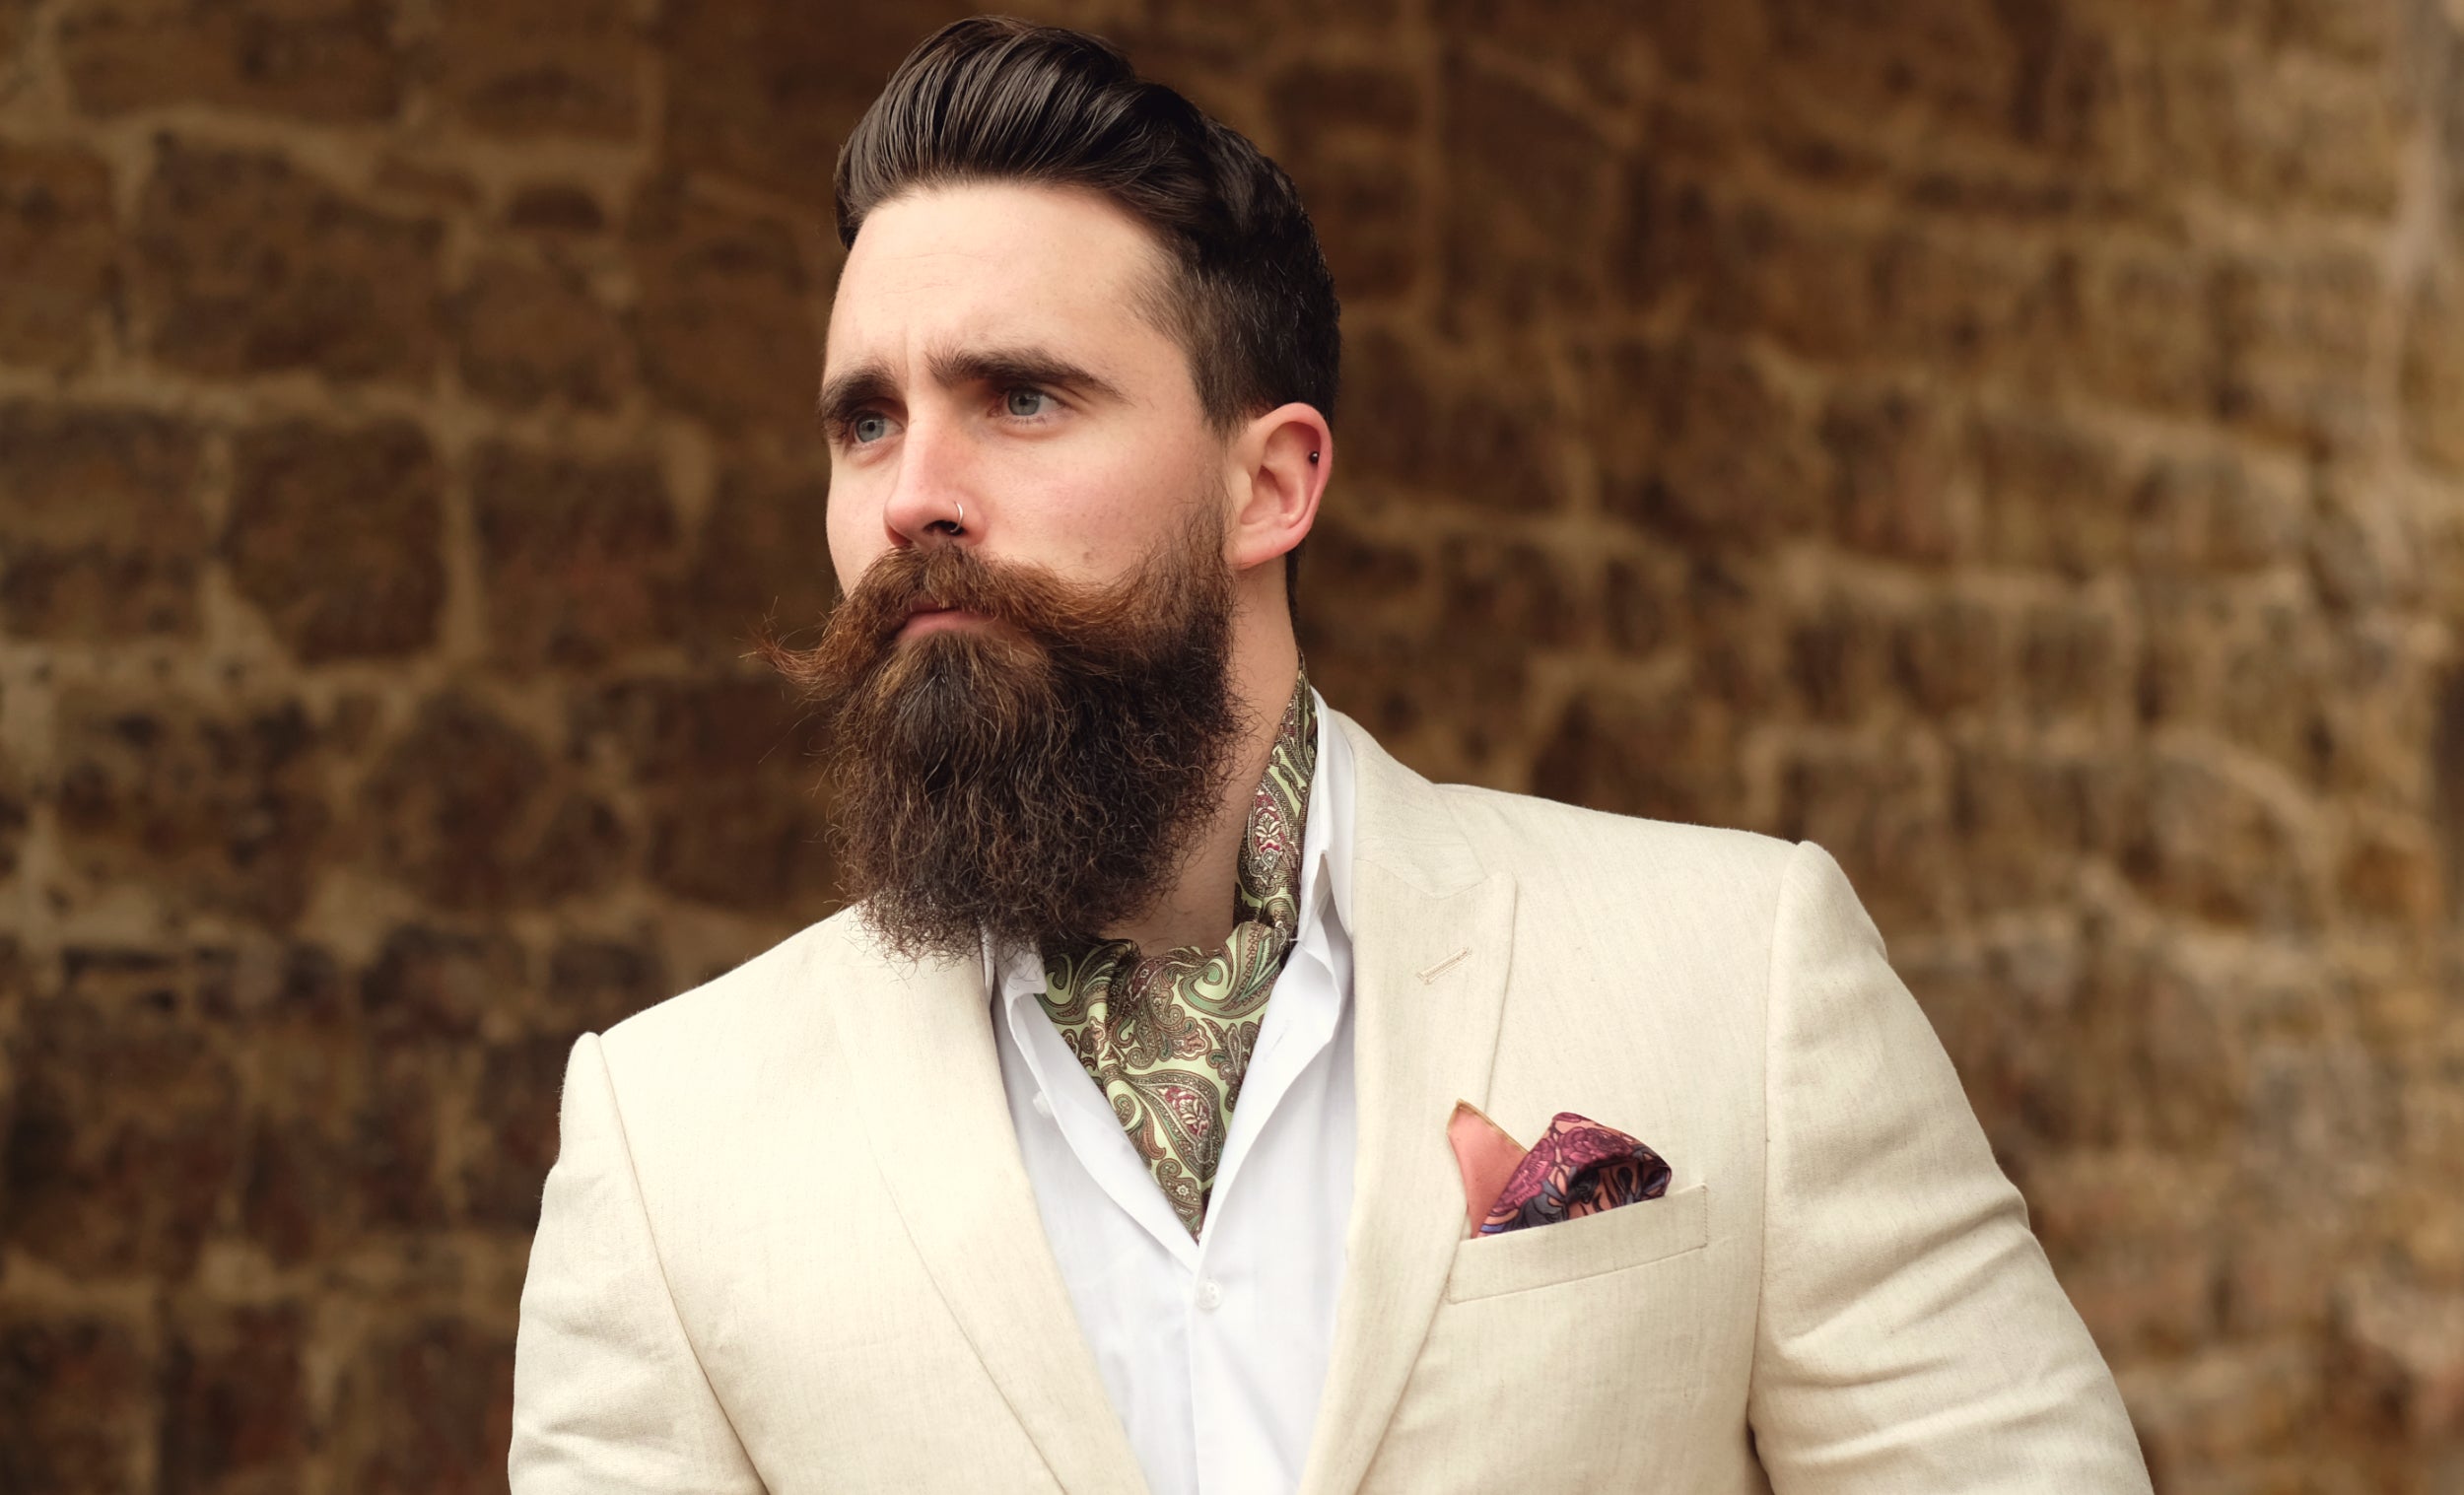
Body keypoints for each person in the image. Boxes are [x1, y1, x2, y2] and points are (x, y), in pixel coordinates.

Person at [509, 17, 2154, 1494]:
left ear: (1272, 482)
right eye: (865, 419)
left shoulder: (1741, 972)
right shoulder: (668, 1143)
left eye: (1019, 397)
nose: (911, 495)